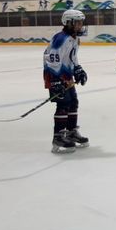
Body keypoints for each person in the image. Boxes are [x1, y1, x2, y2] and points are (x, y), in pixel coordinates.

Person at [43, 9, 89, 153]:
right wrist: (56, 81)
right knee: (63, 104)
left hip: (66, 74)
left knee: (73, 102)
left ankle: (71, 132)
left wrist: (78, 70)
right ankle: (58, 136)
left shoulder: (74, 38)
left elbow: (72, 58)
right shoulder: (60, 38)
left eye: (81, 22)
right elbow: (51, 59)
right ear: (68, 23)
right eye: (78, 22)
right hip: (55, 74)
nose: (81, 25)